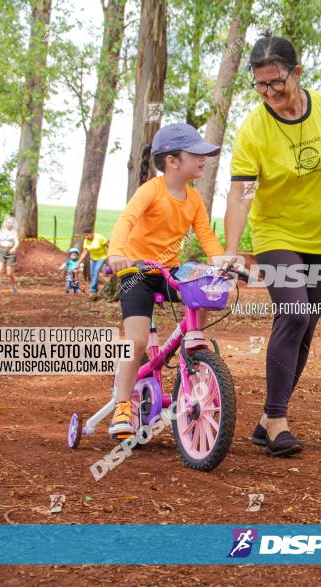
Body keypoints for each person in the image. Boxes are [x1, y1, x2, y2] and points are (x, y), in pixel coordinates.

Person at [222, 34, 321, 457]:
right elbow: (241, 193)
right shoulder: (253, 128)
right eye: (261, 86)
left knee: (305, 327)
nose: (270, 93)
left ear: (296, 72)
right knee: (293, 313)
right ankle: (277, 420)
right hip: (277, 233)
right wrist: (232, 248)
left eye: (277, 82)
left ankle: (267, 420)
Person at [106, 123, 225, 438]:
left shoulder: (195, 199)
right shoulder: (151, 190)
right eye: (196, 154)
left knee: (206, 290)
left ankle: (192, 347)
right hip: (137, 273)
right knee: (138, 341)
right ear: (172, 161)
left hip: (168, 271)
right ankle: (122, 405)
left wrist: (222, 262)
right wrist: (117, 252)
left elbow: (207, 236)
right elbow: (126, 220)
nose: (203, 159)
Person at [77, 227, 108, 294]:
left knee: (96, 272)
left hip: (102, 257)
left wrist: (111, 256)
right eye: (85, 235)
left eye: (87, 235)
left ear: (92, 233)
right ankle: (95, 289)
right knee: (92, 273)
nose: (85, 237)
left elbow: (108, 245)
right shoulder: (86, 241)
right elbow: (84, 253)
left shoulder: (100, 238)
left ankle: (92, 289)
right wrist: (78, 263)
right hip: (93, 258)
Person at [0, 216, 19, 293]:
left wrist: (14, 248)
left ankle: (14, 286)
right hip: (1, 251)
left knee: (9, 273)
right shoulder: (0, 232)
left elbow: (17, 242)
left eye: (11, 222)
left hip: (10, 252)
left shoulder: (14, 232)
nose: (9, 224)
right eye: (8, 222)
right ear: (5, 223)